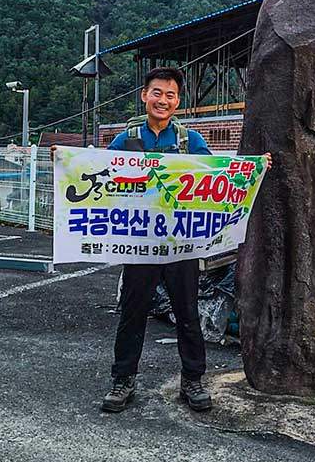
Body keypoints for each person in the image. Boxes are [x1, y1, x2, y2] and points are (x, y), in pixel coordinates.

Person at [101, 65, 270, 415]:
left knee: (187, 313)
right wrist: (63, 161)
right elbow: (100, 173)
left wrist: (254, 166)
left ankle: (192, 380)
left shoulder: (189, 141)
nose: (163, 100)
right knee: (132, 313)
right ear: (144, 96)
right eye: (157, 93)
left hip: (180, 244)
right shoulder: (126, 139)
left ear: (178, 101)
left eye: (171, 95)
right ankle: (123, 380)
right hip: (140, 244)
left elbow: (219, 176)